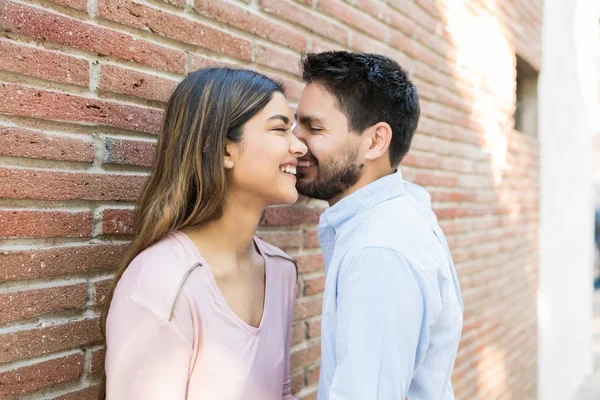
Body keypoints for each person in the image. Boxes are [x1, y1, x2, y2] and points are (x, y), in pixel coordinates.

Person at [99, 67, 307, 399]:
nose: (299, 146)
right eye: (281, 128)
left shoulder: (281, 271)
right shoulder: (161, 280)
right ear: (225, 151)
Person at [293, 51, 464, 400]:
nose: (295, 141)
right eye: (295, 124)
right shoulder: (400, 212)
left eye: (314, 127)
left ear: (374, 141)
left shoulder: (379, 251)